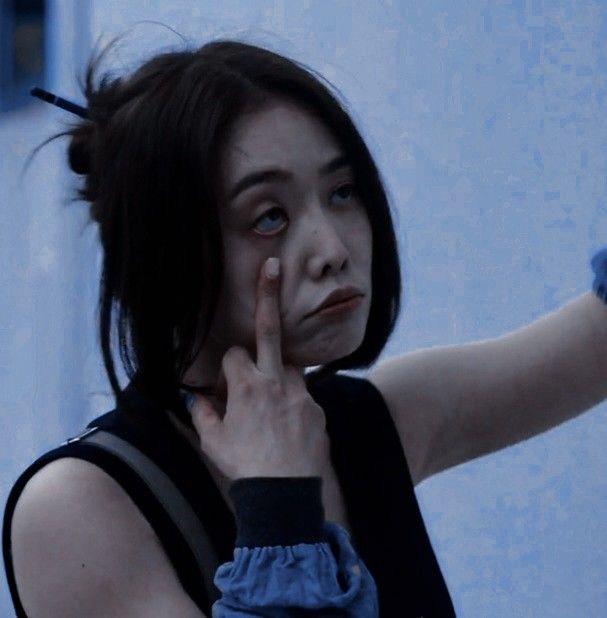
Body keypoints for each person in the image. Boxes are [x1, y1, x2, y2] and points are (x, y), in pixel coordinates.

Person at [3, 37, 607, 617]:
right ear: (170, 256)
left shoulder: (374, 422)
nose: (333, 248)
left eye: (343, 192)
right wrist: (277, 510)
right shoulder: (80, 507)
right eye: (268, 216)